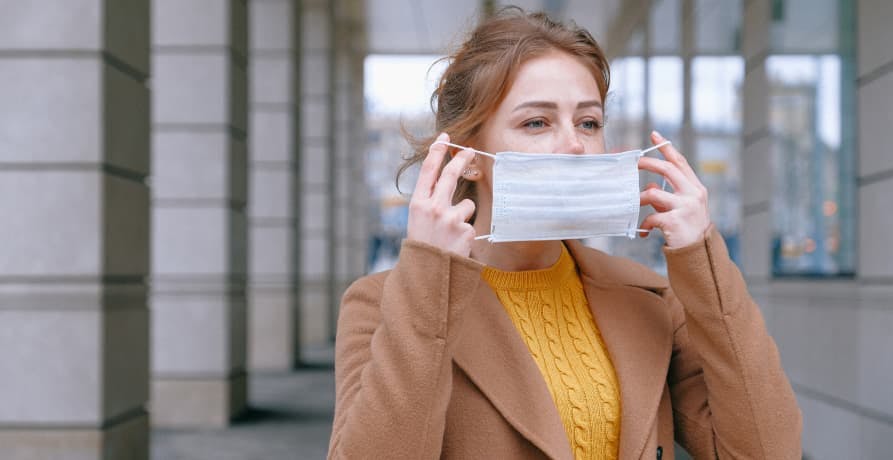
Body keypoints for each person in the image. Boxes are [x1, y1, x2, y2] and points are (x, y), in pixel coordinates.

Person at [328, 7, 801, 460]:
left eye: (589, 122)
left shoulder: (648, 299)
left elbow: (767, 451)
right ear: (469, 152)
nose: (575, 144)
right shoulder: (381, 305)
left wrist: (703, 261)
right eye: (537, 122)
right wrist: (430, 277)